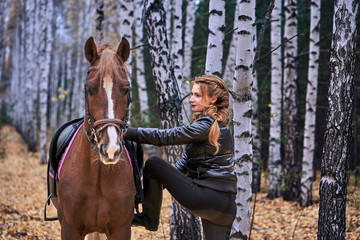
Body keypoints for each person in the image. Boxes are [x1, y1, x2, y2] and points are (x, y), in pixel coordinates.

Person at [125, 75, 236, 240]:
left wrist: (128, 132)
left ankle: (149, 219)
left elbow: (166, 137)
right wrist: (143, 190)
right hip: (225, 208)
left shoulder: (207, 126)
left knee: (153, 163)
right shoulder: (217, 127)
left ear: (212, 99)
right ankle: (147, 215)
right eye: (192, 94)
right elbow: (183, 165)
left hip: (208, 198)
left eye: (197, 95)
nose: (191, 99)